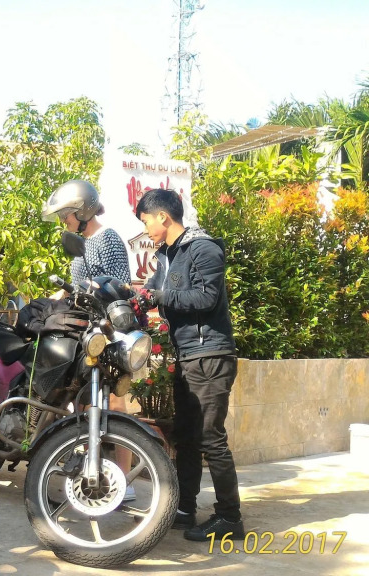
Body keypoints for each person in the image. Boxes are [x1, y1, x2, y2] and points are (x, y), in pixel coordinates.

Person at [135, 188, 243, 542]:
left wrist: (161, 296)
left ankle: (230, 518)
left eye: (146, 221)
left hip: (210, 355)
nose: (146, 228)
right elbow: (151, 291)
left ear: (163, 217)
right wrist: (134, 296)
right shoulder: (167, 255)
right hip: (187, 356)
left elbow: (207, 297)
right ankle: (184, 508)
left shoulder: (202, 248)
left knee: (211, 439)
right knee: (186, 437)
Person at [42, 179, 136, 501]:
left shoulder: (107, 238)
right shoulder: (81, 243)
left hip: (108, 330)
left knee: (115, 401)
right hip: (84, 332)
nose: (63, 220)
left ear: (83, 211)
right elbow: (75, 288)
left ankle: (125, 480)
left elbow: (120, 286)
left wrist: (93, 288)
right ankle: (86, 470)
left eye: (66, 214)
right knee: (81, 399)